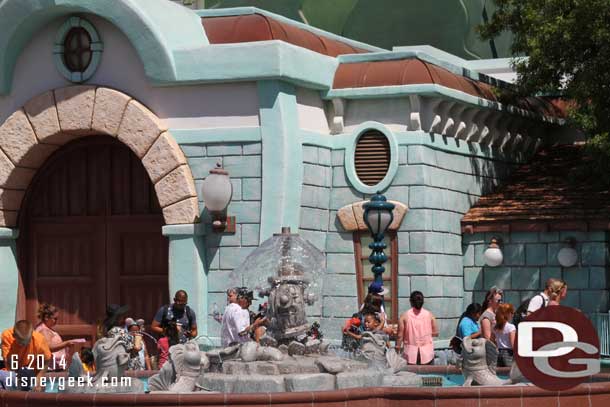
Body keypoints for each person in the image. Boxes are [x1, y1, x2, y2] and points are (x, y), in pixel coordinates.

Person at [1, 320, 52, 391]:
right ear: (14, 336)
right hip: (14, 372)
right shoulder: (7, 336)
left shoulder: (39, 340)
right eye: (21, 343)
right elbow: (8, 361)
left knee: (28, 373)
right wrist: (16, 379)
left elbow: (47, 360)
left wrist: (39, 378)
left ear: (31, 335)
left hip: (32, 373)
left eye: (27, 342)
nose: (25, 346)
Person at [396, 291, 439, 365]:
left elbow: (400, 336)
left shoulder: (404, 316)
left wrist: (398, 348)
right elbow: (436, 333)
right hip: (427, 352)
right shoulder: (430, 315)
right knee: (429, 376)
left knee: (410, 376)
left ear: (411, 302)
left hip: (410, 353)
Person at [34, 303, 79, 371]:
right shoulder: (44, 330)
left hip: (53, 366)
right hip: (50, 368)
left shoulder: (46, 329)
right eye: (55, 319)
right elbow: (48, 348)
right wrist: (66, 343)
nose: (56, 321)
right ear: (46, 317)